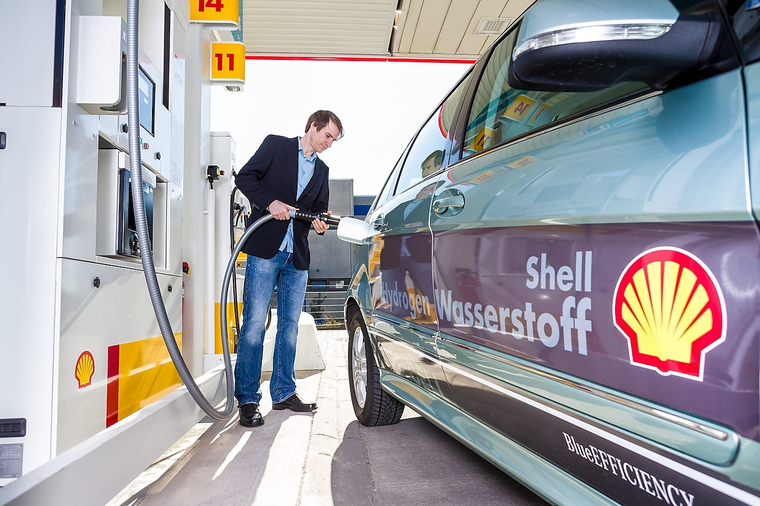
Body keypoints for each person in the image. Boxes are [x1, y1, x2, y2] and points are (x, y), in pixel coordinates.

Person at [233, 110, 344, 427]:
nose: (329, 143)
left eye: (333, 140)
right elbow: (245, 177)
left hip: (296, 256)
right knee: (254, 325)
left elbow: (318, 210)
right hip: (265, 249)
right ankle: (248, 399)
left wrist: (320, 221)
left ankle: (283, 393)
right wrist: (271, 203)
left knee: (290, 326)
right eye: (328, 136)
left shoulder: (322, 171)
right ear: (313, 127)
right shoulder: (276, 146)